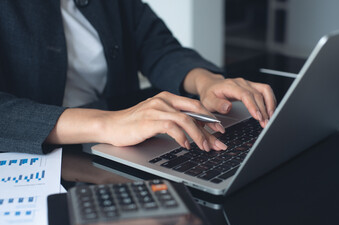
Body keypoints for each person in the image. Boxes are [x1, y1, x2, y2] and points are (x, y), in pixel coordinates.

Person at [0, 0, 276, 155]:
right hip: (37, 158)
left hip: (119, 150)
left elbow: (157, 46)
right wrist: (109, 123)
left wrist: (206, 81)